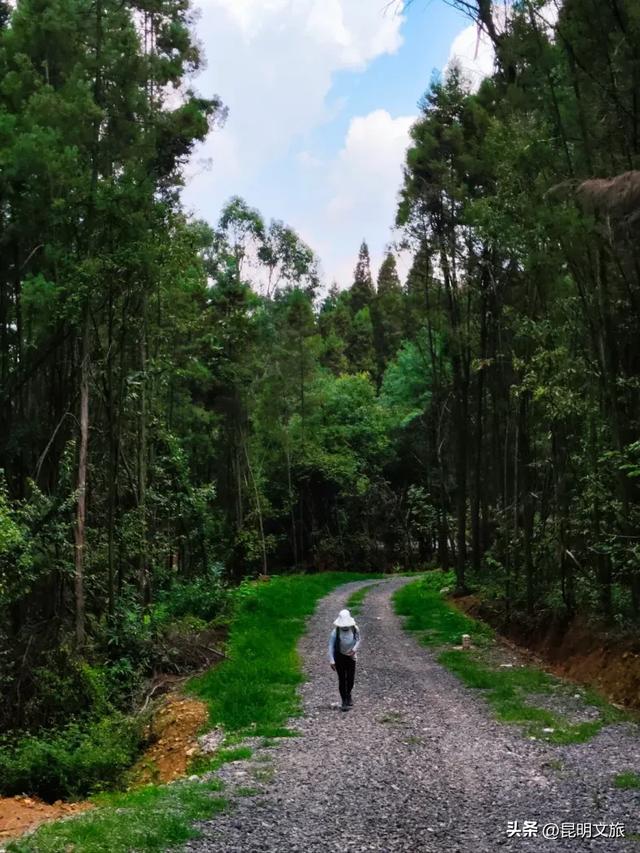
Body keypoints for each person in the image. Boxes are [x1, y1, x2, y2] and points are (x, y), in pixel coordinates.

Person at [328, 608, 361, 711]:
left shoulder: (355, 629)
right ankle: (344, 700)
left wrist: (354, 650)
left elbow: (358, 640)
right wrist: (332, 660)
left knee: (350, 678)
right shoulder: (335, 632)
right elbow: (330, 646)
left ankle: (348, 694)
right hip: (339, 657)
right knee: (342, 679)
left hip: (351, 657)